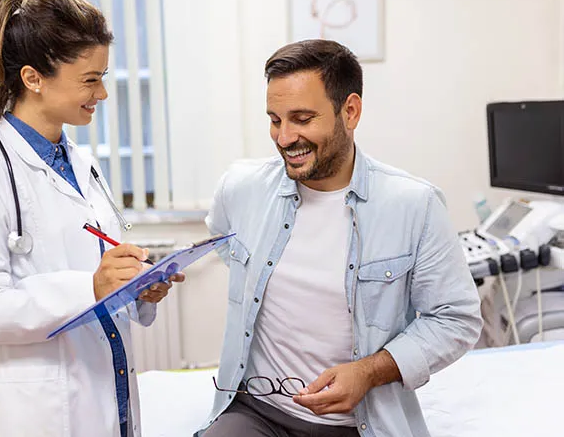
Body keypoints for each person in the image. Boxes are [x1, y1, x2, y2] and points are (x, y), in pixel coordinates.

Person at [199, 39, 482, 436]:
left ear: (350, 111)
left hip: (358, 423)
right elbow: (223, 239)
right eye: (275, 119)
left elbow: (456, 318)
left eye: (301, 118)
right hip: (255, 412)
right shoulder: (241, 188)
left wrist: (369, 372)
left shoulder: (414, 206)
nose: (283, 138)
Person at [0, 0, 182, 437]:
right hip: (34, 410)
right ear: (33, 78)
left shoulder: (81, 163)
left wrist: (134, 284)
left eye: (103, 76)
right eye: (90, 79)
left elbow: (93, 269)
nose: (103, 92)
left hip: (103, 389)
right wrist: (92, 286)